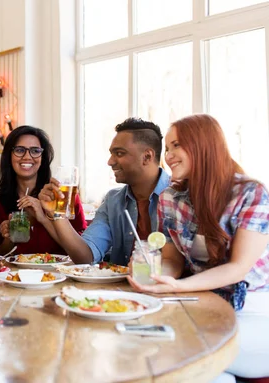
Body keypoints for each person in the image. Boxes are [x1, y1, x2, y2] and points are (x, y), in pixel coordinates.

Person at [127, 114, 269, 380]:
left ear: (205, 145)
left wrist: (179, 286)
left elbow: (238, 268)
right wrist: (158, 275)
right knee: (145, 340)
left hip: (255, 312)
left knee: (183, 354)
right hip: (203, 306)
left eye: (176, 145)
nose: (167, 156)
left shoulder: (251, 194)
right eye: (167, 148)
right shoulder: (171, 196)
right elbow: (173, 258)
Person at [39, 117, 171, 265]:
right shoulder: (113, 200)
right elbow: (85, 257)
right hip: (118, 288)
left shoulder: (181, 196)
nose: (110, 161)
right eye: (111, 154)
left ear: (147, 156)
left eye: (119, 153)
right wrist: (57, 213)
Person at [0, 125, 87, 255]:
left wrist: (43, 218)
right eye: (19, 150)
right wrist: (9, 239)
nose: (27, 157)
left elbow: (82, 250)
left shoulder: (62, 195)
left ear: (43, 157)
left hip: (60, 273)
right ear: (9, 156)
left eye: (35, 151)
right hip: (17, 275)